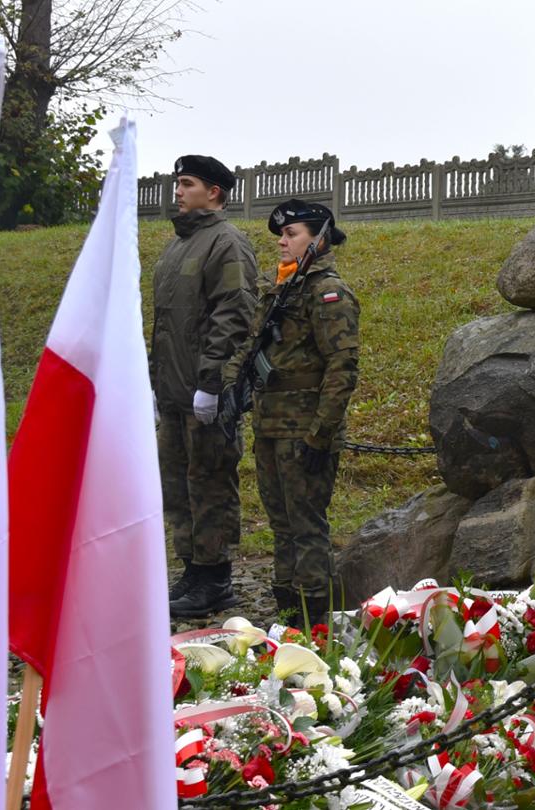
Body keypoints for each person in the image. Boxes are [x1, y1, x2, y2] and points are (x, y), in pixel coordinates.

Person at [225, 198, 359, 625]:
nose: (282, 242)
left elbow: (342, 367)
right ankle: (287, 610)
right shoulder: (281, 287)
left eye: (291, 234)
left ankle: (315, 619)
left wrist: (321, 434)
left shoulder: (328, 293)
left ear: (318, 239)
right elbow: (253, 344)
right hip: (270, 425)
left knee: (306, 526)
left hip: (304, 430)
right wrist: (229, 384)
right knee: (281, 525)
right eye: (281, 235)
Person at [154, 154, 261, 620]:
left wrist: (213, 381)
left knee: (210, 482)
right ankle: (192, 570)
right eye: (178, 183)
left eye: (187, 183)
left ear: (213, 192)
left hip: (205, 392)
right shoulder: (178, 246)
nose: (178, 191)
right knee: (178, 485)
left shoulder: (226, 243)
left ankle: (215, 577)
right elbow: (167, 324)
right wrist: (158, 383)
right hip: (174, 393)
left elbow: (234, 314)